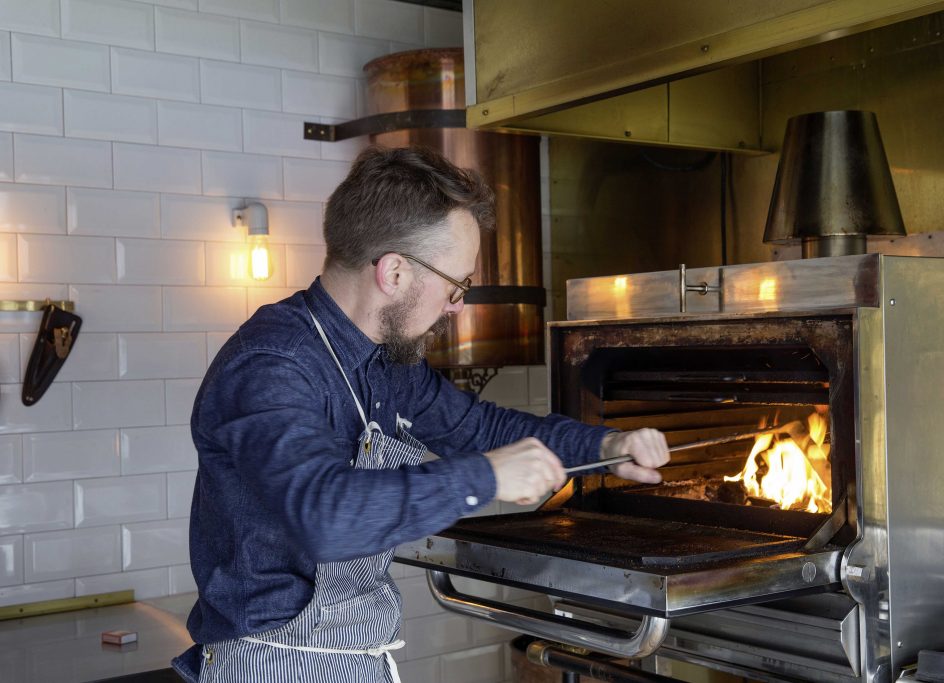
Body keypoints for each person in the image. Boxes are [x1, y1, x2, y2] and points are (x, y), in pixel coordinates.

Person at [172, 145, 669, 682]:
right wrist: (488, 475)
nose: (459, 305)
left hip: (351, 663)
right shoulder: (271, 367)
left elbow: (479, 428)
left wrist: (603, 449)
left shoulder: (385, 363)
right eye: (457, 284)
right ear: (394, 272)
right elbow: (325, 517)